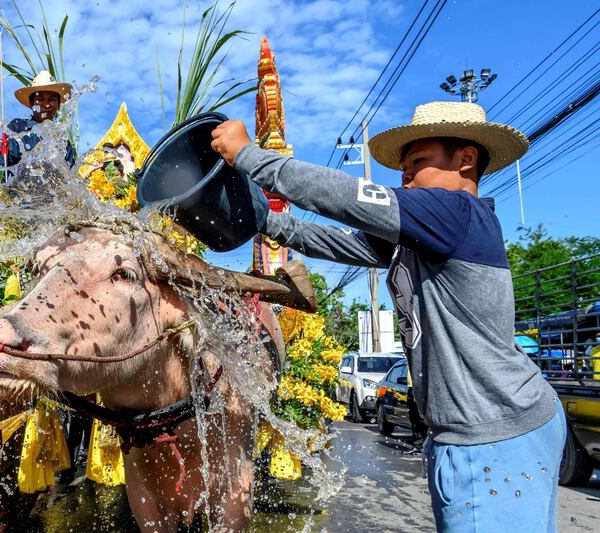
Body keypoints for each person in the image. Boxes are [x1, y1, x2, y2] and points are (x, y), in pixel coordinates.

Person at [210, 101, 566, 532]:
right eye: (404, 167)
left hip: (494, 438)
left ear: (466, 160)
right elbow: (339, 241)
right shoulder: (424, 238)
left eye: (418, 161)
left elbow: (349, 198)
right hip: (471, 434)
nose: (406, 175)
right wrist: (269, 222)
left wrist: (250, 158)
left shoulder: (458, 216)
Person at [0, 70, 75, 183]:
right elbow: (1, 167)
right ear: (32, 104)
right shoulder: (18, 128)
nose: (46, 104)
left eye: (51, 99)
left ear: (58, 105)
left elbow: (72, 178)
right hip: (21, 196)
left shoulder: (64, 142)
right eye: (40, 99)